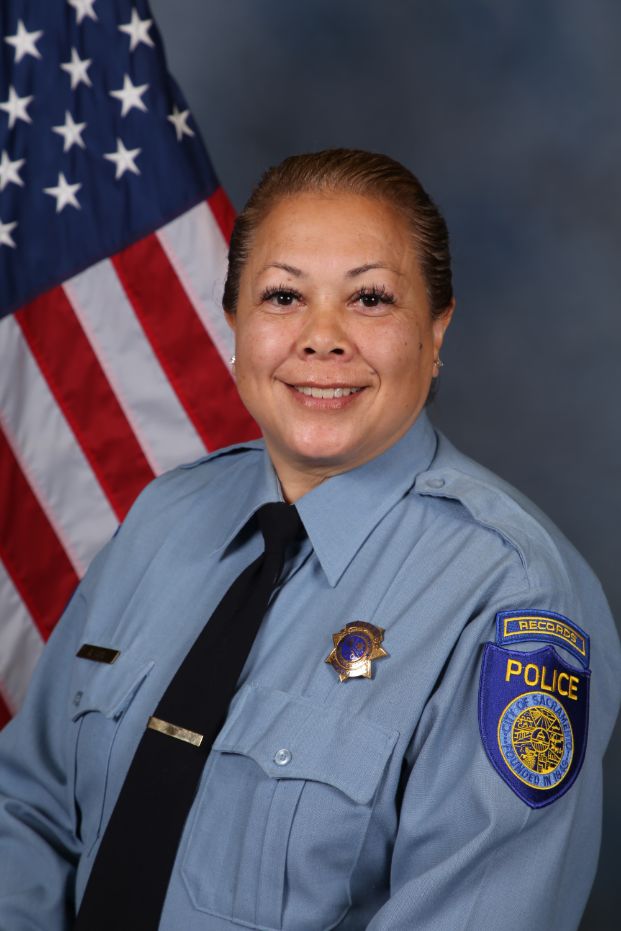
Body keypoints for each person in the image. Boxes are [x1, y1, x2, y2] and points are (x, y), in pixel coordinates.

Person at [0, 148, 619, 931]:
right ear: (234, 324)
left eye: (369, 298)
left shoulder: (511, 598)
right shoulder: (165, 518)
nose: (321, 338)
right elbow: (28, 809)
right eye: (283, 294)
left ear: (436, 330)